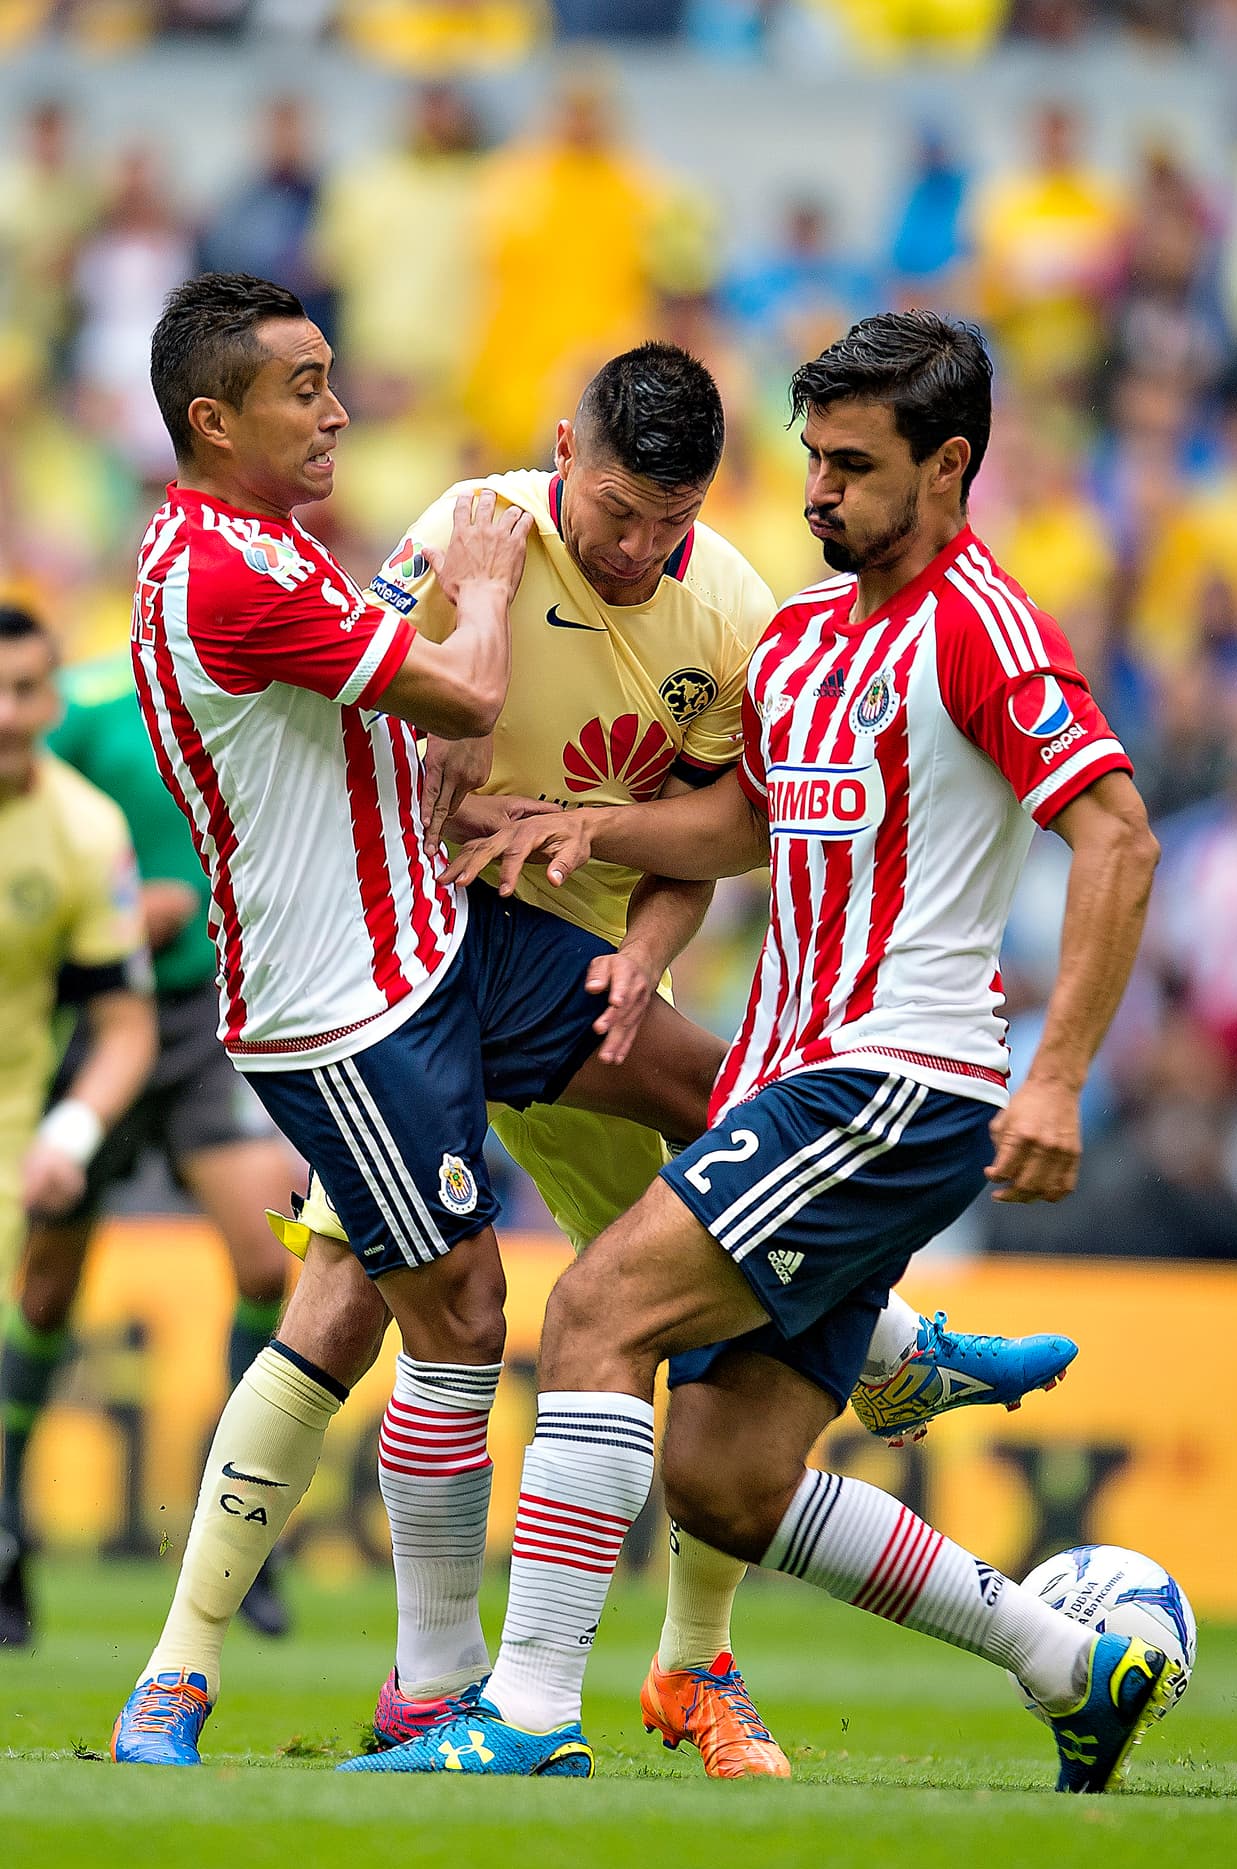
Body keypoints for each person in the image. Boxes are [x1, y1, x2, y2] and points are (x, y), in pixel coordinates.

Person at [124, 335, 1077, 1774]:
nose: (637, 550)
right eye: (617, 513)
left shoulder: (733, 609)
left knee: (723, 1147)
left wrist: (640, 947)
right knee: (357, 1302)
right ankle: (191, 1669)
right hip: (418, 953)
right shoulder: (472, 532)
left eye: (667, 522)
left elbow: (726, 830)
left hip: (583, 971)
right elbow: (383, 738)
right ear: (565, 455)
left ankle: (700, 1647)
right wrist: (470, 764)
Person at [354, 312, 1181, 1792]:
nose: (819, 491)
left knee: (595, 1314)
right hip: (795, 1078)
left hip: (890, 1080)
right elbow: (746, 821)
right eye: (813, 459)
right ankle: (1071, 1663)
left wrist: (1058, 1075)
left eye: (853, 466)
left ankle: (524, 1714)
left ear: (949, 466)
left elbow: (1115, 835)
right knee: (722, 1481)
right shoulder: (802, 635)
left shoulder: (979, 631)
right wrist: (585, 826)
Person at [104, 272, 733, 1766]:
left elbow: (386, 733)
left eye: (332, 380)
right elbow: (458, 690)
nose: (337, 413)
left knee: (707, 1084)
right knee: (447, 1315)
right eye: (303, 389)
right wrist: (491, 584)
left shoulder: (279, 546)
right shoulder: (226, 572)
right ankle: (416, 1683)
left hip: (445, 934)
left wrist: (486, 807)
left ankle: (886, 1336)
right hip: (350, 1003)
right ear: (213, 420)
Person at [0, 645, 304, 1644]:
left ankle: (239, 1528)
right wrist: (121, 911)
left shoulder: (261, 696)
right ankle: (7, 1525)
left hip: (212, 1018)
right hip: (93, 1017)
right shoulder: (84, 705)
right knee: (46, 1287)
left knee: (268, 1260)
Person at [0, 605, 157, 1646]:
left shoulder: (86, 830)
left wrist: (72, 1133)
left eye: (28, 691)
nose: (10, 715)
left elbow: (124, 1025)